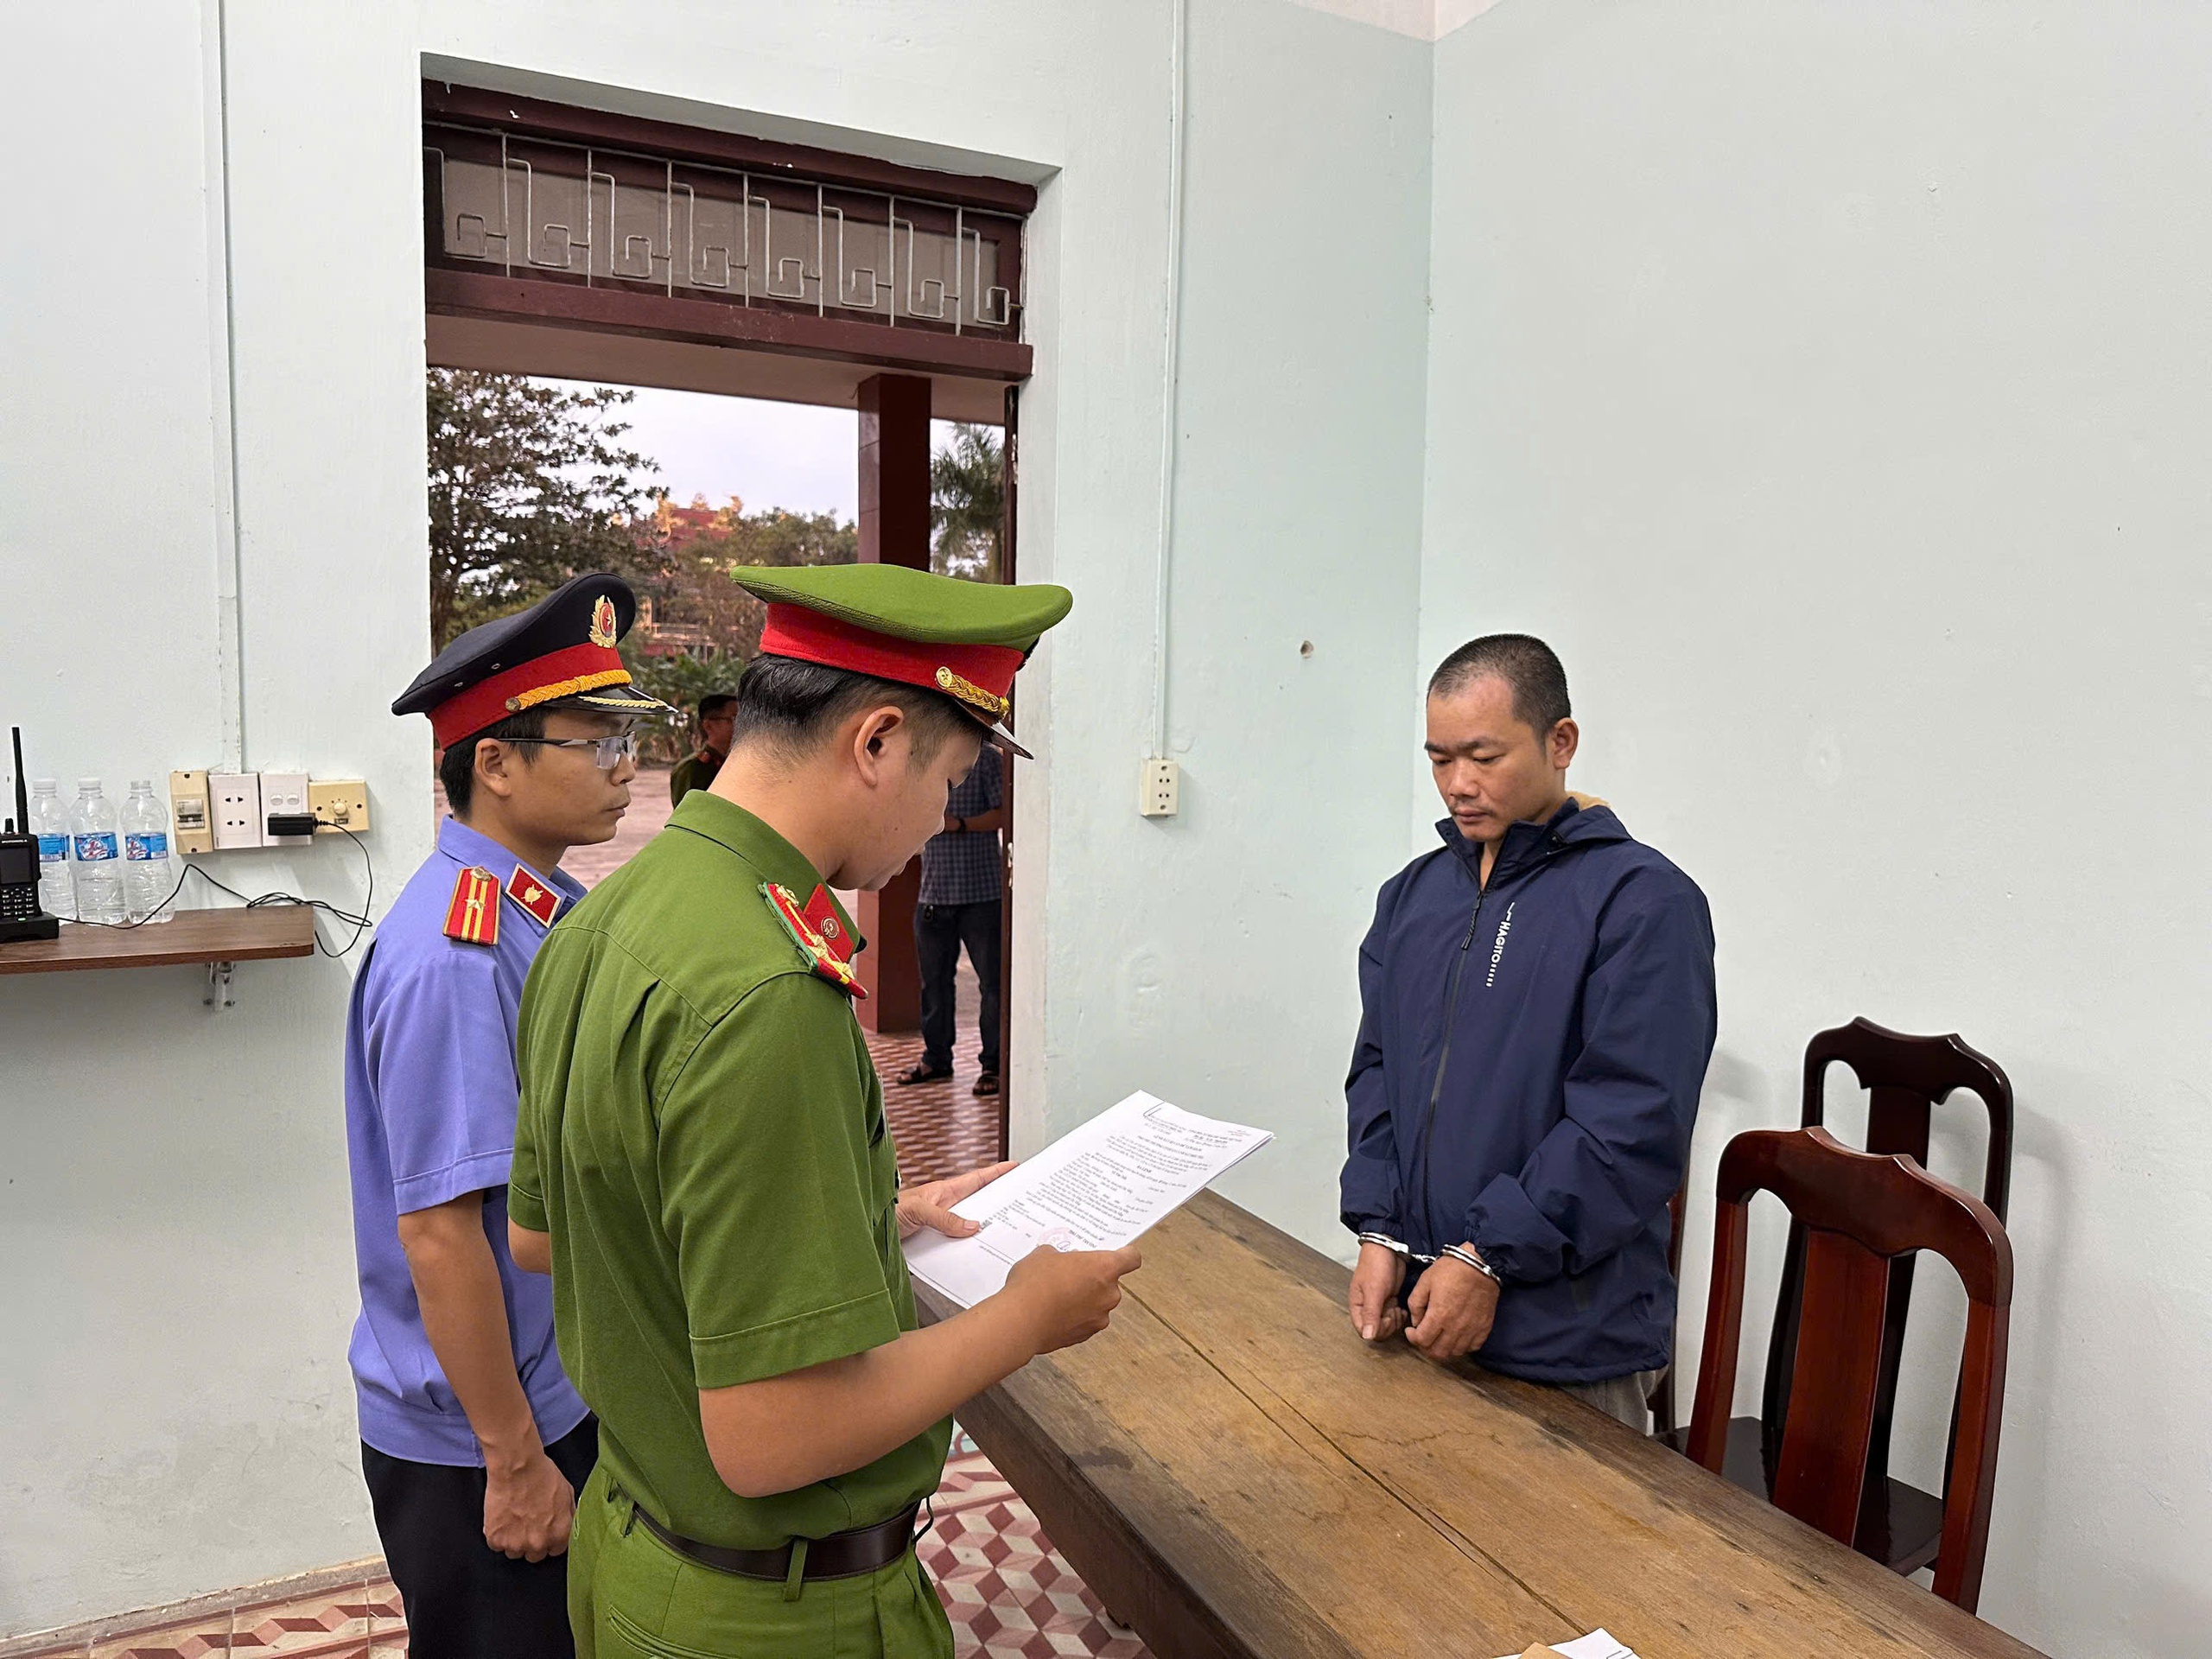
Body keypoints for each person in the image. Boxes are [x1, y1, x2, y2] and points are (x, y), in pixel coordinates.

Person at [508, 563, 1141, 1658]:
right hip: (768, 1617)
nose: (939, 819)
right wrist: (1027, 1318)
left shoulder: (606, 918)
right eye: (950, 779)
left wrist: (854, 1219)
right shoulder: (765, 989)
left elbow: (548, 1233)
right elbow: (773, 1437)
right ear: (878, 741)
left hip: (636, 1548)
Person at [346, 572, 672, 1657]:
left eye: (628, 739)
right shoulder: (456, 955)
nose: (624, 768)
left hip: (550, 1392)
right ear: (495, 764)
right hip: (486, 1434)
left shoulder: (543, 908)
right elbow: (441, 1233)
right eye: (596, 741)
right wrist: (515, 1460)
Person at [1339, 634, 1717, 1433]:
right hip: (1424, 1308)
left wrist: (1487, 1257)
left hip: (1568, 1342)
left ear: (1561, 742)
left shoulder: (1641, 901)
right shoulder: (1412, 897)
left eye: (1484, 756)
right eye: (1440, 759)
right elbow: (1378, 1075)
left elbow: (1632, 1126)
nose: (1458, 784)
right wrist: (1380, 1227)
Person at [896, 741, 1005, 1096]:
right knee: (934, 985)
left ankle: (993, 1066)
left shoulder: (987, 760)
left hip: (982, 894)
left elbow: (1004, 814)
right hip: (933, 894)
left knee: (993, 986)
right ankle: (937, 1059)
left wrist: (958, 824)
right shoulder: (923, 756)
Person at [668, 691, 736, 807]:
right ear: (708, 725)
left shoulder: (739, 763)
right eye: (734, 719)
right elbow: (686, 812)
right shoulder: (691, 769)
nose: (742, 725)